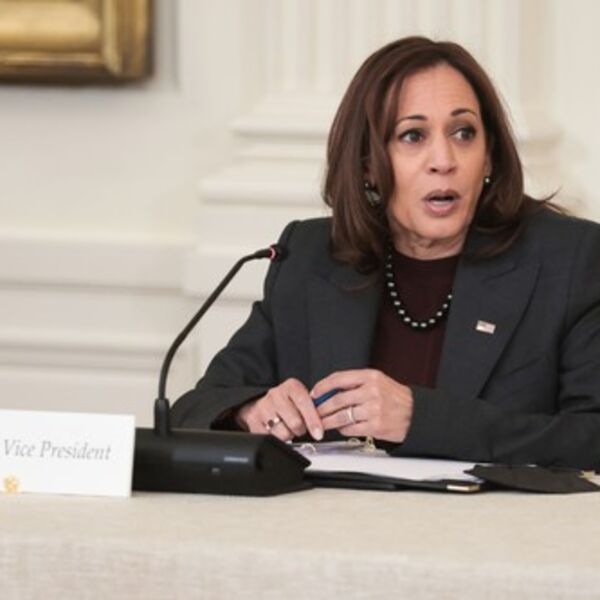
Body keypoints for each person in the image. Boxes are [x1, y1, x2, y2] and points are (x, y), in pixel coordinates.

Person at [171, 36, 600, 470]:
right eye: (413, 135)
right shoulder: (311, 257)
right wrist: (250, 412)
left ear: (488, 156)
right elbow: (194, 409)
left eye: (464, 133)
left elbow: (592, 436)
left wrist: (423, 420)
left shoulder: (568, 259)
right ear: (367, 166)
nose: (443, 159)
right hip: (337, 515)